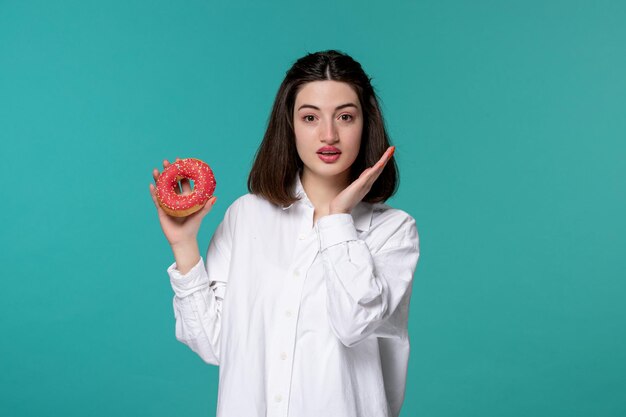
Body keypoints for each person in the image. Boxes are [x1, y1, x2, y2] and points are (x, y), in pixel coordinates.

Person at [149, 50, 420, 417]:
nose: (329, 134)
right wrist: (183, 245)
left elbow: (354, 322)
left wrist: (335, 219)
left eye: (345, 116)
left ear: (365, 124)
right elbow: (216, 346)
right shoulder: (246, 216)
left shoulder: (393, 231)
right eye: (310, 117)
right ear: (289, 125)